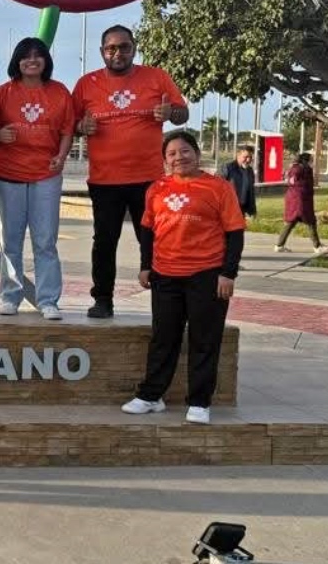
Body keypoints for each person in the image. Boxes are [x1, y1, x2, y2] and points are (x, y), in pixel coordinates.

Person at [122, 130, 244, 424]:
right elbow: (148, 231)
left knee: (205, 339)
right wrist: (145, 265)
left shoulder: (219, 187)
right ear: (165, 160)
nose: (179, 158)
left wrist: (228, 273)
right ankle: (151, 396)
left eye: (185, 151)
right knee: (163, 337)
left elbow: (235, 232)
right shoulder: (157, 188)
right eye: (172, 154)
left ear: (197, 154)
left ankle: (200, 402)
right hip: (165, 274)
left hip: (207, 274)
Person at [73, 24, 188, 318]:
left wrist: (170, 114)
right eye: (111, 48)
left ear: (134, 48)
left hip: (149, 179)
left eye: (124, 47)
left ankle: (163, 299)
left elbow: (181, 112)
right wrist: (80, 127)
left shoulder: (156, 77)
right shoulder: (86, 84)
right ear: (102, 52)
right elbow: (71, 123)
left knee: (152, 240)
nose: (118, 53)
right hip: (104, 179)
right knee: (104, 242)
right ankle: (102, 299)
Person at [0, 38, 75, 320]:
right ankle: (10, 296)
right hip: (9, 174)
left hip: (46, 175)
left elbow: (67, 130)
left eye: (38, 56)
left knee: (45, 241)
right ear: (16, 60)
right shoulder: (2, 93)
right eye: (25, 56)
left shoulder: (59, 92)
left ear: (46, 61)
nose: (32, 61)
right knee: (11, 241)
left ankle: (48, 299)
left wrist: (61, 157)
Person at [275, 152, 328, 254]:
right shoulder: (302, 169)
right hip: (300, 200)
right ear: (306, 160)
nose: (313, 162)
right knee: (311, 222)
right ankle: (317, 246)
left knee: (291, 222)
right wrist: (301, 189)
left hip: (296, 199)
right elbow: (293, 180)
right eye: (311, 159)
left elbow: (291, 180)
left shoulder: (298, 167)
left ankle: (279, 245)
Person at [219, 145, 257, 219]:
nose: (248, 160)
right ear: (238, 155)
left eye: (250, 157)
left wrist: (252, 210)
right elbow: (216, 189)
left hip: (241, 211)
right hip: (227, 211)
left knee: (239, 230)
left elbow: (251, 192)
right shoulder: (227, 168)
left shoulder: (250, 171)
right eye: (245, 157)